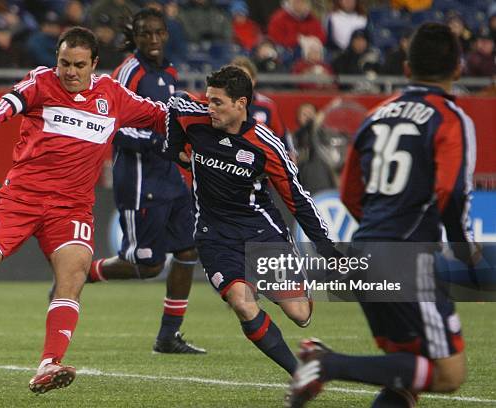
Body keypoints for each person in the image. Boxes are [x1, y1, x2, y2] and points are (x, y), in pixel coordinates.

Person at [0, 27, 168, 394]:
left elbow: (162, 116)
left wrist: (205, 125)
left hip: (71, 209)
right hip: (20, 200)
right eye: (64, 63)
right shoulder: (41, 82)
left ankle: (49, 363)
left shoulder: (112, 95)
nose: (70, 72)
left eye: (79, 65)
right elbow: (1, 108)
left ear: (94, 65)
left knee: (74, 275)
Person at [287, 23, 481, 407]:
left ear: (406, 69)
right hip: (409, 260)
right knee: (447, 374)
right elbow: (451, 190)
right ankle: (327, 363)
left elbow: (349, 195)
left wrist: (380, 232)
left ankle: (327, 364)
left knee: (405, 377)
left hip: (365, 254)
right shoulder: (450, 117)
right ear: (458, 69)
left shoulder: (376, 116)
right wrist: (463, 250)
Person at [164, 66, 340, 377]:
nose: (210, 108)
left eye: (218, 103)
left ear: (241, 104)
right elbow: (174, 105)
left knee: (299, 314)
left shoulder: (266, 145)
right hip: (214, 235)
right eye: (209, 101)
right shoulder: (196, 118)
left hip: (260, 233)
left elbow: (297, 200)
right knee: (243, 304)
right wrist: (177, 150)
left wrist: (328, 251)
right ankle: (301, 374)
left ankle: (287, 287)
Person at [60, 8, 206, 354]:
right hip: (141, 179)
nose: (152, 39)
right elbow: (112, 126)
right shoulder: (128, 72)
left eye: (158, 32)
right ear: (135, 36)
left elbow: (168, 117)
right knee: (147, 263)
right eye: (145, 33)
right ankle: (81, 275)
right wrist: (163, 143)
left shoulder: (169, 71)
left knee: (188, 249)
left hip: (169, 176)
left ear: (166, 34)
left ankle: (169, 335)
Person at [230, 56, 294, 156]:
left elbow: (281, 136)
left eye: (245, 77)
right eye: (236, 78)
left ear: (254, 80)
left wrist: (290, 155)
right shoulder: (222, 106)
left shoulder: (267, 105)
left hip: (262, 161)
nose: (241, 82)